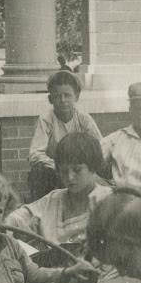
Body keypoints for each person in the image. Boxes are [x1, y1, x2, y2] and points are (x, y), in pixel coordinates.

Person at [6, 131, 113, 248]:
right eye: (64, 171)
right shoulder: (53, 200)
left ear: (93, 167)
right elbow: (16, 218)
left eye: (77, 170)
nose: (70, 177)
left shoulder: (109, 201)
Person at [27, 70, 103, 201]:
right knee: (38, 172)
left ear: (76, 96)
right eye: (57, 96)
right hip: (54, 172)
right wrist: (59, 167)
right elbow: (35, 154)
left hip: (80, 171)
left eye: (67, 95)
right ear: (50, 99)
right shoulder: (46, 120)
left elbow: (100, 147)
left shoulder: (84, 119)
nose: (63, 101)